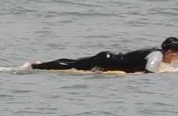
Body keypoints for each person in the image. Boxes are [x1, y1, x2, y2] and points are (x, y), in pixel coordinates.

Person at [23, 37, 178, 73]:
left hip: (108, 58)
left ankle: (39, 64)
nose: (175, 58)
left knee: (74, 63)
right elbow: (149, 72)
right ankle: (35, 66)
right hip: (107, 61)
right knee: (72, 66)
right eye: (176, 54)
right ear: (170, 51)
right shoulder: (157, 56)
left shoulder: (155, 52)